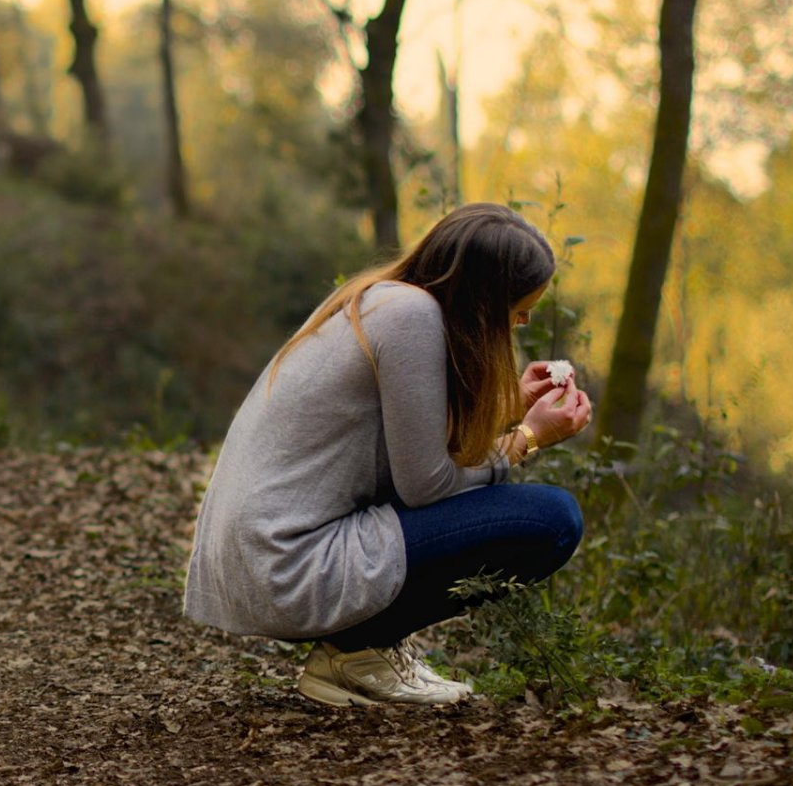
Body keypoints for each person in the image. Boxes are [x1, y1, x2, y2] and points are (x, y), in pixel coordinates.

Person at [183, 203, 591, 707]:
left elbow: (410, 440)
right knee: (552, 520)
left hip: (262, 556)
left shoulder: (381, 300)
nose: (525, 319)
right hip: (289, 564)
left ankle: (359, 651)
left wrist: (510, 402)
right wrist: (526, 439)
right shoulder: (410, 316)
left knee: (540, 513)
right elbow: (426, 486)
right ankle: (355, 653)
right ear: (483, 300)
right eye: (518, 307)